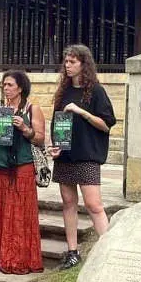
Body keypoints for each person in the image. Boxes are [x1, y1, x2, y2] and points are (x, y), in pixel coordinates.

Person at [48, 44, 115, 270]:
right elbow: (56, 122)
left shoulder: (96, 90)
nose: (67, 65)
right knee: (68, 203)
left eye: (72, 62)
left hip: (87, 155)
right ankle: (73, 252)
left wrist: (82, 111)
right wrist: (55, 146)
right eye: (66, 61)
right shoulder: (63, 92)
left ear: (83, 64)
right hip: (65, 156)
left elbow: (106, 125)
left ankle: (109, 252)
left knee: (94, 205)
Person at [0, 70, 45, 274]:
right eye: (4, 85)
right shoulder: (1, 110)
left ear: (20, 88)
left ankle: (18, 258)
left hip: (21, 167)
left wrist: (25, 128)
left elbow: (40, 138)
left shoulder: (33, 109)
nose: (5, 88)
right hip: (0, 166)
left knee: (18, 213)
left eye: (10, 85)